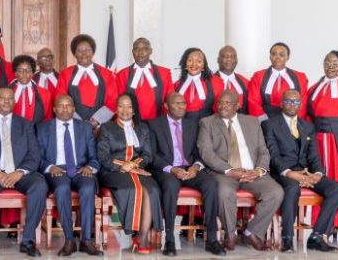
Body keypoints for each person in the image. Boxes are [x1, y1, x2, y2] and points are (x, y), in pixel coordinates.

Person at [197, 90, 284, 251]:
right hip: (224, 173)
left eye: (228, 103)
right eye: (220, 102)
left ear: (238, 105)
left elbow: (263, 151)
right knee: (224, 193)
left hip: (252, 172)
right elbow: (206, 153)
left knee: (276, 192)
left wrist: (259, 170)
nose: (223, 106)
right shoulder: (207, 122)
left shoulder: (252, 122)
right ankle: (230, 235)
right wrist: (230, 170)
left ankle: (252, 232)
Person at [263, 89, 338, 253]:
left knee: (336, 189)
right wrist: (290, 173)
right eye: (288, 101)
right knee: (292, 188)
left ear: (301, 104)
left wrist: (317, 174)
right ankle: (287, 238)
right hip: (283, 173)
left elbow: (314, 155)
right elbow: (273, 154)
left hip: (306, 172)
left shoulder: (307, 126)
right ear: (281, 103)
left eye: (296, 102)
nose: (293, 105)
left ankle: (318, 236)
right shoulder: (269, 124)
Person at [0, 87, 47, 257]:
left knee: (40, 185)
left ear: (15, 102)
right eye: (2, 98)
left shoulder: (26, 124)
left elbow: (34, 154)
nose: (6, 101)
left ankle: (28, 240)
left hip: (20, 173)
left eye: (10, 98)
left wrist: (19, 172)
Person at [148, 92, 224, 256]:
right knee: (170, 185)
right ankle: (169, 239)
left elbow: (200, 152)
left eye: (183, 103)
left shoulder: (193, 124)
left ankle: (212, 239)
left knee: (211, 184)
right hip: (167, 170)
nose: (182, 106)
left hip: (190, 169)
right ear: (166, 106)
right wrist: (172, 169)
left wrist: (195, 168)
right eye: (176, 103)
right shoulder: (154, 125)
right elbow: (153, 156)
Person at [36, 95, 102, 256]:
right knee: (62, 188)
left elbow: (94, 157)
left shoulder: (85, 128)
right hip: (57, 170)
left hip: (81, 170)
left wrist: (90, 167)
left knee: (88, 187)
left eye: (69, 106)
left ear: (74, 109)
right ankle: (69, 240)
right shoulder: (43, 128)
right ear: (54, 109)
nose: (65, 109)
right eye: (61, 106)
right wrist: (50, 167)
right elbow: (37, 157)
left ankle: (86, 240)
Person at [97, 93, 162, 254]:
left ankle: (142, 236)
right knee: (135, 189)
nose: (124, 110)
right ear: (116, 108)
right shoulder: (106, 128)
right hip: (113, 171)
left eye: (129, 106)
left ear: (134, 110)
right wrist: (123, 166)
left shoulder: (143, 128)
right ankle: (140, 236)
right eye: (121, 106)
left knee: (152, 190)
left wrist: (132, 165)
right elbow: (103, 157)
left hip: (138, 170)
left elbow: (147, 155)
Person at [308, 50, 338, 227]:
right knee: (322, 180)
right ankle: (323, 226)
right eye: (327, 63)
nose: (330, 66)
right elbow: (307, 116)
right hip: (320, 142)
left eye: (335, 63)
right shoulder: (315, 87)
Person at [55, 34, 117, 131]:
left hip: (102, 127)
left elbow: (113, 100)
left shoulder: (107, 74)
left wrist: (96, 120)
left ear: (93, 52)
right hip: (73, 125)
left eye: (87, 49)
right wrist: (79, 122)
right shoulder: (65, 74)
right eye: (79, 50)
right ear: (74, 54)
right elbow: (60, 100)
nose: (84, 53)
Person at [116, 38, 174, 121]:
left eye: (145, 49)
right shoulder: (122, 74)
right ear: (132, 52)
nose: (140, 52)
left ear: (151, 51)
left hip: (158, 122)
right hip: (131, 122)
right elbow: (118, 102)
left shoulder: (165, 73)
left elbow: (170, 100)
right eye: (136, 49)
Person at [248, 42, 309, 121]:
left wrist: (294, 121)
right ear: (270, 57)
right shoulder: (258, 76)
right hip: (266, 119)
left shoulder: (300, 77)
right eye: (274, 54)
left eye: (282, 55)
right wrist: (264, 121)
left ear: (288, 57)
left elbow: (303, 102)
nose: (277, 57)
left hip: (291, 119)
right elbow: (253, 101)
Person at [174, 48, 222, 120]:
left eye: (199, 61)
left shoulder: (216, 82)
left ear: (203, 66)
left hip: (207, 126)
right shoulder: (176, 85)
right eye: (190, 60)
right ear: (185, 64)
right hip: (184, 127)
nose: (194, 64)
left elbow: (219, 108)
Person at [10, 55, 52, 124]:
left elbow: (48, 120)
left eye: (28, 70)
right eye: (20, 70)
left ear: (33, 73)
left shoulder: (45, 94)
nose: (24, 73)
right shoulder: (6, 92)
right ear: (15, 72)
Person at [214, 45, 249, 113]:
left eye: (232, 57)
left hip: (240, 120)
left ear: (236, 60)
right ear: (218, 60)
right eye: (225, 56)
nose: (229, 59)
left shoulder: (245, 82)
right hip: (216, 121)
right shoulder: (209, 81)